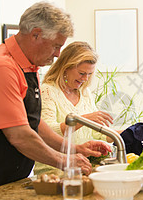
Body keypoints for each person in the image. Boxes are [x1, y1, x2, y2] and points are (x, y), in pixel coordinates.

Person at [0, 2, 110, 198]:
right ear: (35, 34)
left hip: (7, 173)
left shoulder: (27, 67)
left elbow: (33, 122)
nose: (58, 54)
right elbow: (19, 134)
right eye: (56, 45)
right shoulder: (2, 67)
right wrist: (64, 160)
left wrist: (73, 149)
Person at [34, 41, 115, 174]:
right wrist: (83, 119)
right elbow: (47, 131)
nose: (85, 78)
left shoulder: (85, 93)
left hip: (80, 166)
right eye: (81, 73)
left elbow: (96, 133)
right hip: (54, 170)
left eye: (89, 74)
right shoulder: (48, 91)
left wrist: (128, 133)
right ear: (66, 67)